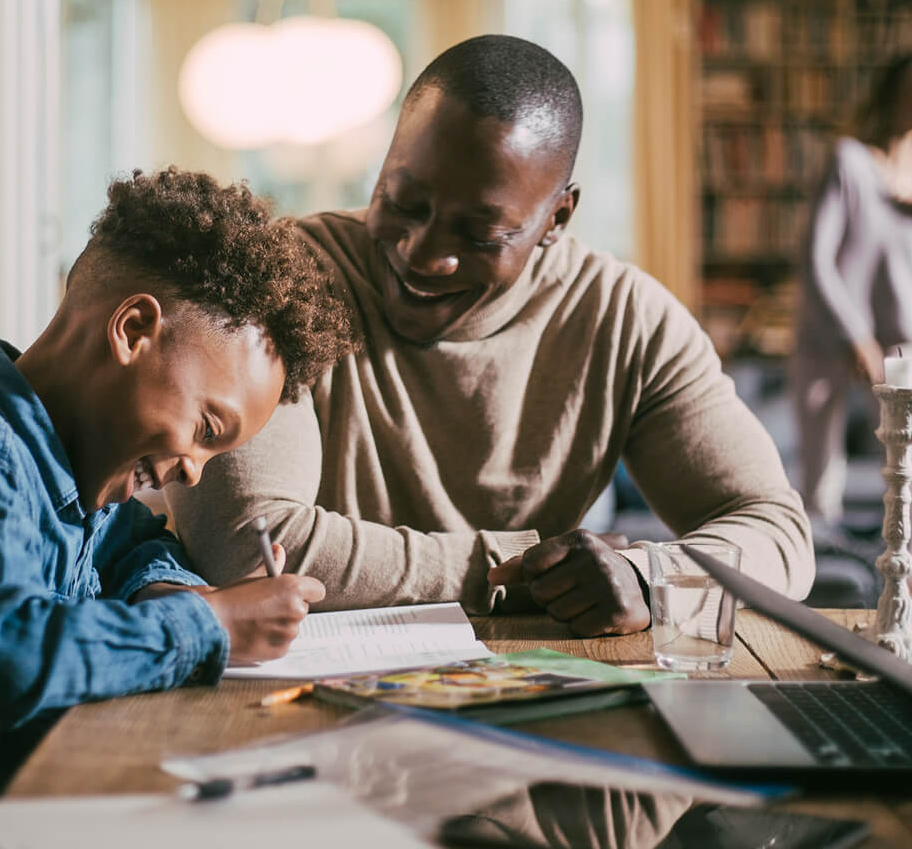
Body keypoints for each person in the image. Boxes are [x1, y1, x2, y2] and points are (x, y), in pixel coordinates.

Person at [165, 35, 815, 635]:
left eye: (479, 234)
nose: (423, 255)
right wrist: (519, 571)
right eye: (403, 202)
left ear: (557, 217)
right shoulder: (278, 279)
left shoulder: (626, 318)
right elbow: (246, 545)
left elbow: (779, 534)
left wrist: (649, 575)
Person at [0, 168, 353, 842]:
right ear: (134, 328)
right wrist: (211, 628)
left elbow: (139, 542)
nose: (195, 474)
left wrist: (173, 588)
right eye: (206, 430)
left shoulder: (80, 468)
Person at [792, 45, 912, 581]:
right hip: (829, 343)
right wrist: (857, 340)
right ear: (896, 89)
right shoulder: (850, 162)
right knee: (820, 477)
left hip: (903, 351)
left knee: (909, 474)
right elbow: (816, 259)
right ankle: (814, 587)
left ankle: (906, 598)